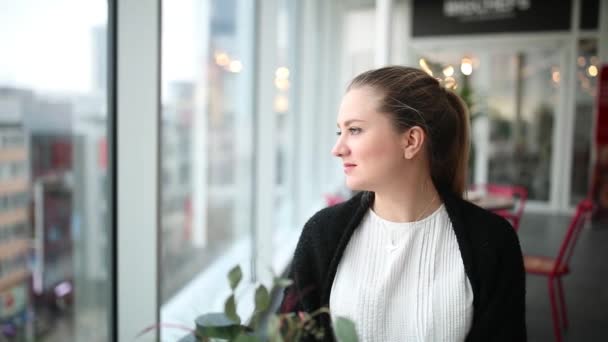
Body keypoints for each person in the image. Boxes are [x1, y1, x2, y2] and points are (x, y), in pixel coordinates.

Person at [279, 66, 526, 341]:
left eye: (355, 130)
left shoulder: (493, 241)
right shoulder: (321, 234)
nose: (338, 149)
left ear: (411, 140)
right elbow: (291, 334)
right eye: (341, 131)